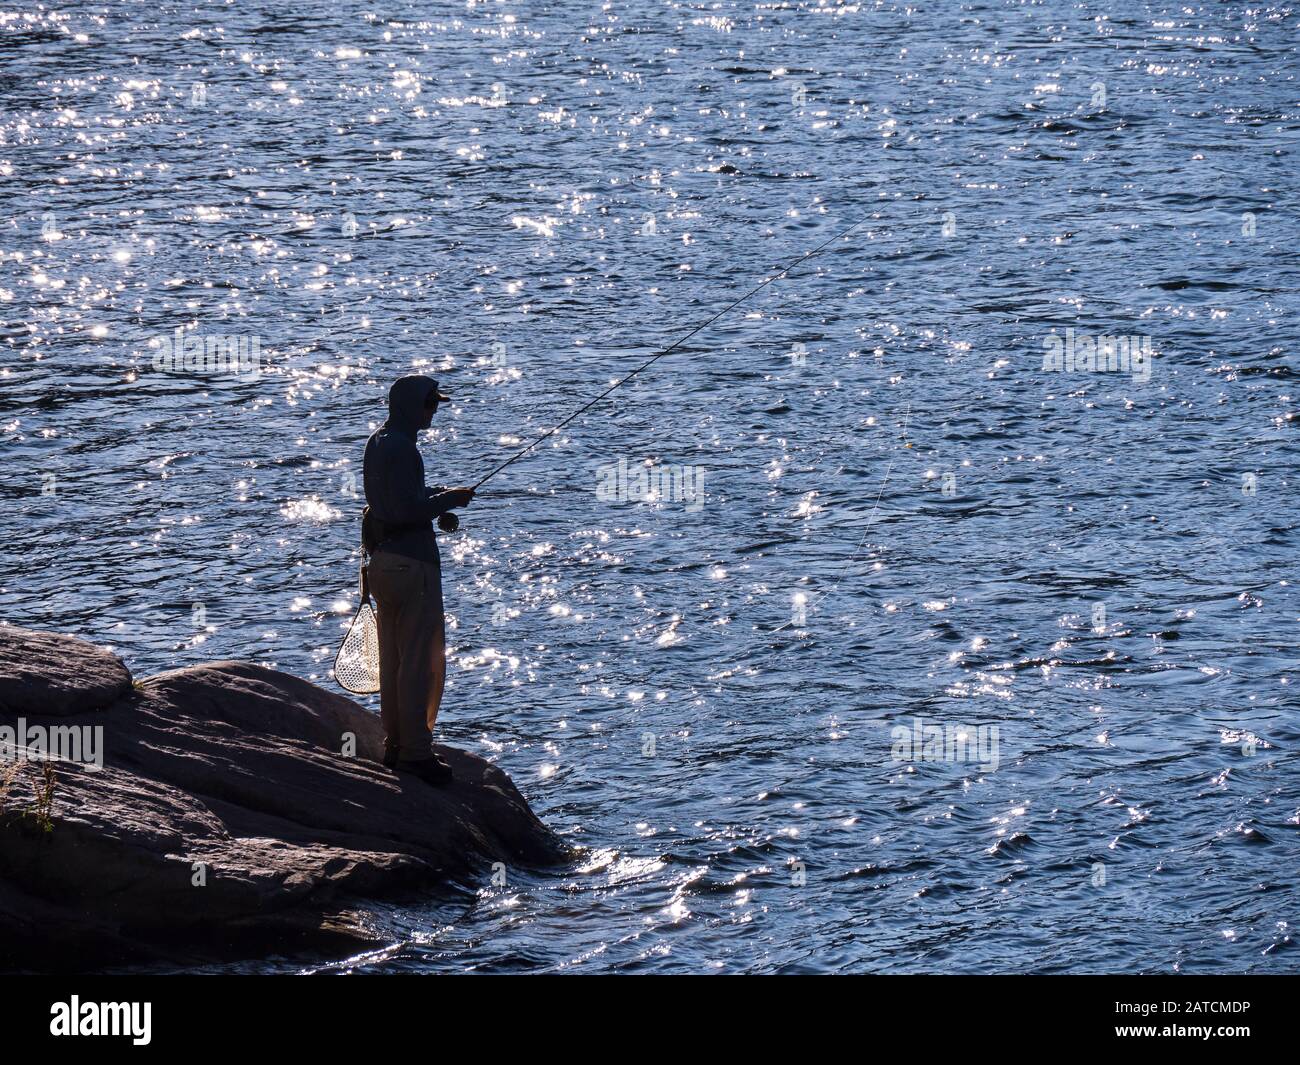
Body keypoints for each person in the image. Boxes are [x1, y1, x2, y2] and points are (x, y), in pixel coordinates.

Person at [362, 374, 474, 786]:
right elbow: (408, 510)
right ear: (413, 406)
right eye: (431, 404)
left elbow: (394, 501)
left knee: (393, 660)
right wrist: (448, 501)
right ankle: (415, 753)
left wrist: (439, 495)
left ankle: (395, 745)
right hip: (412, 566)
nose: (435, 411)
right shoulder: (404, 449)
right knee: (420, 663)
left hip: (384, 564)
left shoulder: (379, 442)